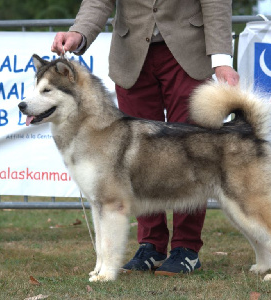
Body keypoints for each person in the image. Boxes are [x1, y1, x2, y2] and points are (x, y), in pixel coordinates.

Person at [51, 0, 240, 276]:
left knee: (194, 153)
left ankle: (186, 248)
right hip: (131, 58)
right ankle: (151, 244)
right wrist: (79, 33)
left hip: (189, 53)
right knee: (135, 158)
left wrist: (221, 60)